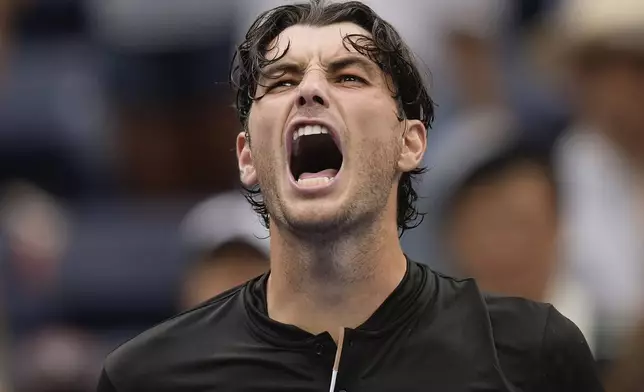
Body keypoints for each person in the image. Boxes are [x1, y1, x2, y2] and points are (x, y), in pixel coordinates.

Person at [96, 1, 603, 391]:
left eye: (349, 76)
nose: (309, 91)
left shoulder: (532, 352)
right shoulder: (150, 376)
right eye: (281, 80)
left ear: (411, 142)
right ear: (247, 155)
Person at [442, 143, 596, 351]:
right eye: (492, 227)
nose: (508, 248)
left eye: (522, 225)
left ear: (559, 230)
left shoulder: (608, 339)